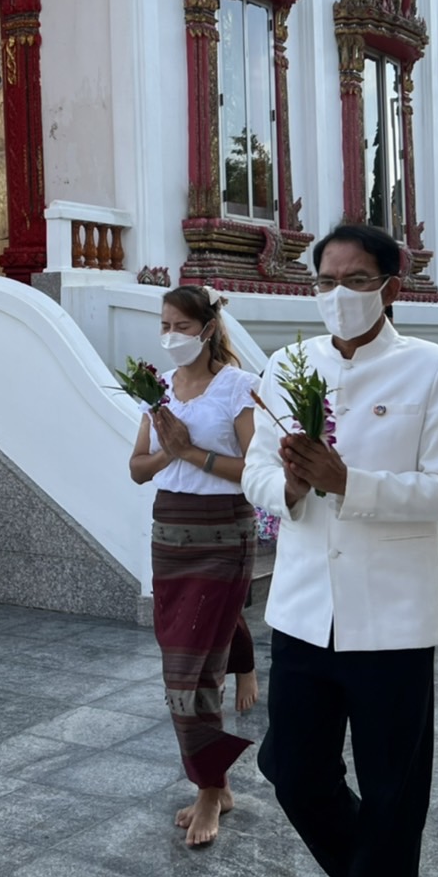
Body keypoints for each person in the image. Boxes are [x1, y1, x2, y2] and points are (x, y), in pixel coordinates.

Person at [243, 223, 438, 877]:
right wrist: (288, 486)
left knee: (392, 795)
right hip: (304, 610)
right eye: (325, 280)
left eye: (356, 280)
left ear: (391, 288)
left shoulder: (432, 369)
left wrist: (350, 482)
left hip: (393, 619)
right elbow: (255, 470)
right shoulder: (286, 364)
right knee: (292, 773)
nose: (338, 293)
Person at [128, 285, 258, 847]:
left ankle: (209, 787)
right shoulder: (158, 389)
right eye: (165, 325)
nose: (171, 336)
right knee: (182, 659)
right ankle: (216, 780)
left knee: (192, 670)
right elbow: (137, 468)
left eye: (182, 326)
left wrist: (190, 453)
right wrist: (169, 451)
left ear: (207, 329)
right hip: (171, 534)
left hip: (223, 533)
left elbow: (255, 469)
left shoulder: (237, 386)